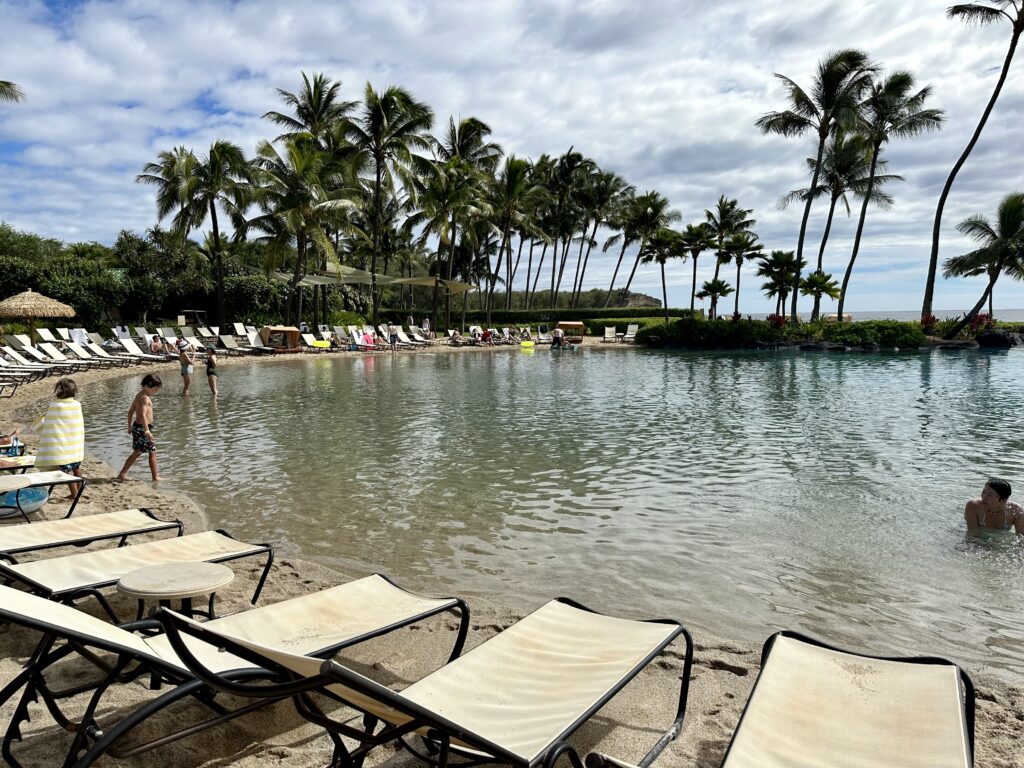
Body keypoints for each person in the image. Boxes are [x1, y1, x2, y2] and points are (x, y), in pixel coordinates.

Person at [32, 378, 85, 499]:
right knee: (76, 467)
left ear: (59, 391)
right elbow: (75, 424)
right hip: (74, 444)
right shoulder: (77, 404)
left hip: (62, 445)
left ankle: (74, 494)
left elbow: (51, 423)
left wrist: (39, 424)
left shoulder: (55, 405)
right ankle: (79, 491)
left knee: (66, 471)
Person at [117, 374, 162, 482]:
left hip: (137, 427)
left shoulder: (139, 395)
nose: (155, 392)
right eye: (155, 389)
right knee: (152, 451)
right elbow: (142, 415)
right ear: (147, 386)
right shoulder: (144, 398)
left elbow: (130, 411)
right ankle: (155, 477)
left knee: (137, 451)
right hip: (143, 428)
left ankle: (122, 474)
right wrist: (147, 430)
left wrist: (129, 427)